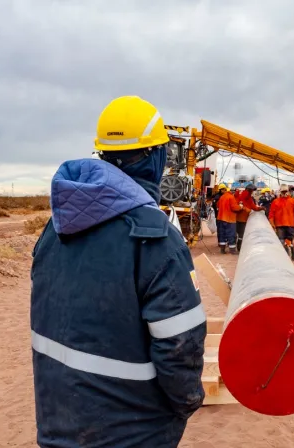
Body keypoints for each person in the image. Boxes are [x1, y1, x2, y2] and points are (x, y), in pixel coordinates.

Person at [30, 96, 206, 448]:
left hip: (58, 422)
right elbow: (180, 347)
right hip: (133, 431)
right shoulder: (154, 238)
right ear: (156, 157)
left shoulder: (55, 229)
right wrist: (187, 402)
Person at [269, 184, 294, 261]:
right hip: (280, 225)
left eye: (285, 191)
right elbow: (271, 214)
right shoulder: (275, 202)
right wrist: (272, 224)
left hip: (290, 225)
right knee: (282, 241)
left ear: (288, 191)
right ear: (280, 192)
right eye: (283, 191)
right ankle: (285, 257)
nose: (284, 193)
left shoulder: (293, 201)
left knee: (293, 240)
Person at [234, 183, 263, 252]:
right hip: (240, 219)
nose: (252, 192)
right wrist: (246, 209)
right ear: (249, 190)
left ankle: (237, 246)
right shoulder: (243, 196)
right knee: (240, 234)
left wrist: (260, 208)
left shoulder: (247, 197)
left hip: (239, 218)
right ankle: (238, 247)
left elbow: (254, 207)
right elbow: (237, 206)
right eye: (252, 191)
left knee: (238, 233)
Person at [216, 183, 242, 254]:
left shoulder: (222, 197)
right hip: (229, 219)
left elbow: (217, 205)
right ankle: (232, 250)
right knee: (231, 234)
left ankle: (222, 250)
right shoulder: (231, 197)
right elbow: (234, 208)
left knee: (222, 234)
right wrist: (240, 207)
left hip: (221, 218)